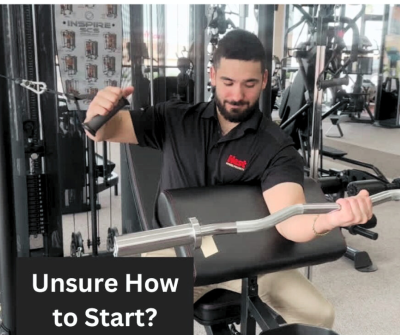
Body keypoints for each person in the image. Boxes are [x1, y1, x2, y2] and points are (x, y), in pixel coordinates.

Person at [84, 29, 373, 328]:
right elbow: (105, 130)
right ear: (212, 75)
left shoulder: (274, 146)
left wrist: (330, 218)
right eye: (228, 82)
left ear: (263, 80)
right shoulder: (174, 119)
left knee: (319, 314)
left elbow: (289, 219)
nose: (237, 95)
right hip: (177, 252)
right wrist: (99, 112)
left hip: (245, 255)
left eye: (249, 84)